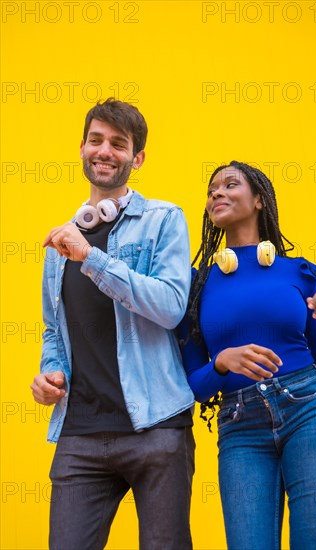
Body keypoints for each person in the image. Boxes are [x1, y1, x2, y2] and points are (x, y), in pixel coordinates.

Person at [30, 98, 195, 550]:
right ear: (82, 147)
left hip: (156, 426)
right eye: (96, 140)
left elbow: (170, 306)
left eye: (118, 144)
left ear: (136, 158)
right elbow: (53, 331)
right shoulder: (57, 245)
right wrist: (50, 372)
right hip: (80, 432)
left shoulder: (164, 220)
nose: (105, 151)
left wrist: (91, 258)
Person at [180, 160, 316, 550]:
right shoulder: (196, 285)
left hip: (310, 409)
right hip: (240, 426)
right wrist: (221, 364)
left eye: (229, 185)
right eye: (211, 191)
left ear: (258, 200)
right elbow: (194, 386)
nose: (217, 194)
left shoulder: (299, 272)